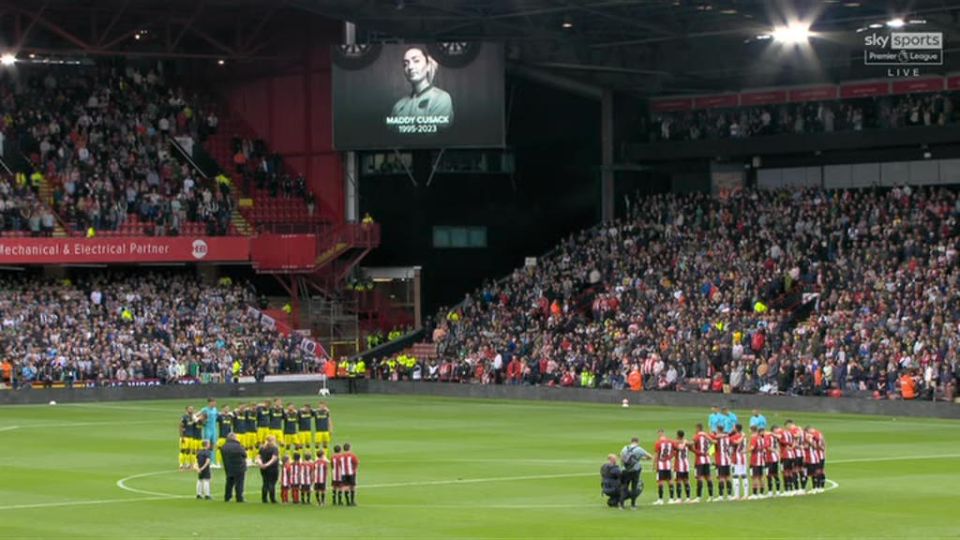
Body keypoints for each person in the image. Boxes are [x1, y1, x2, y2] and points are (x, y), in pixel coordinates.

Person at [388, 47, 453, 129]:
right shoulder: (398, 105)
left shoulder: (441, 98)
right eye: (405, 64)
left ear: (428, 66)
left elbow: (437, 134)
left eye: (416, 61)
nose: (410, 67)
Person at [619, 436, 651, 509]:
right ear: (637, 442)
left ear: (631, 441)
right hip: (635, 471)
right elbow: (650, 456)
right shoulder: (639, 449)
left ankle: (621, 505)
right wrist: (642, 459)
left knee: (624, 487)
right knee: (634, 487)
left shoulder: (625, 448)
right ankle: (633, 505)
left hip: (625, 470)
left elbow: (621, 457)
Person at [220, 432, 247, 503]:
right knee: (239, 483)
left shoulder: (224, 446)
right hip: (239, 467)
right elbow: (244, 454)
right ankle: (239, 497)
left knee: (229, 482)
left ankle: (227, 497)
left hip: (228, 467)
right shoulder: (238, 446)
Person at [692, 423, 714, 502]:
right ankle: (711, 496)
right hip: (707, 459)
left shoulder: (696, 436)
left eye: (696, 428)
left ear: (698, 428)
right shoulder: (707, 436)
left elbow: (692, 445)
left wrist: (695, 451)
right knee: (708, 477)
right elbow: (713, 444)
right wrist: (709, 453)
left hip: (700, 460)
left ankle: (698, 497)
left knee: (700, 478)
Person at [653, 429, 675, 505]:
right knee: (670, 481)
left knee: (660, 482)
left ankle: (660, 499)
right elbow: (674, 451)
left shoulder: (658, 443)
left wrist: (654, 464)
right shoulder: (670, 442)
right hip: (668, 464)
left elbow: (656, 455)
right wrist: (670, 458)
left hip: (661, 464)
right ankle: (671, 499)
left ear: (659, 434)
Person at [257, 435, 280, 503]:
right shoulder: (274, 448)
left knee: (265, 482)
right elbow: (274, 458)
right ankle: (272, 498)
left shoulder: (262, 448)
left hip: (263, 469)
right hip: (272, 468)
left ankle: (264, 499)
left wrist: (261, 464)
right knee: (272, 483)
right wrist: (267, 465)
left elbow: (258, 457)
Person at [713, 426, 733, 501]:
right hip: (727, 460)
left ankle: (721, 496)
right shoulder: (728, 438)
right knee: (728, 477)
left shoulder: (717, 438)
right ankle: (729, 495)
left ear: (718, 430)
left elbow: (713, 439)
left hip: (720, 461)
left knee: (721, 478)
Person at [673, 430, 692, 503]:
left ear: (678, 435)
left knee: (678, 481)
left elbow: (678, 448)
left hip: (679, 465)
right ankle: (688, 498)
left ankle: (679, 498)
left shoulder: (676, 443)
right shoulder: (687, 443)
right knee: (686, 480)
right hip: (686, 464)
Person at [731, 424, 749, 500]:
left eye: (733, 427)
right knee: (744, 476)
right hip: (744, 458)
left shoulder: (733, 437)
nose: (732, 428)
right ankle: (746, 495)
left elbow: (735, 443)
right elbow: (746, 443)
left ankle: (736, 495)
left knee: (735, 476)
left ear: (736, 429)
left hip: (736, 458)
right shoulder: (745, 437)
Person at [748, 426, 767, 499]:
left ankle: (755, 494)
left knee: (754, 477)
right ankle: (761, 493)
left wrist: (745, 451)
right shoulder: (762, 439)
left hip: (755, 461)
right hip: (762, 461)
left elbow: (752, 448)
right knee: (761, 477)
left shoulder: (754, 438)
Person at [200, 399, 219, 466]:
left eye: (215, 402)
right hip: (207, 429)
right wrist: (203, 421)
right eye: (213, 402)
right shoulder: (204, 409)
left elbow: (218, 417)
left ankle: (212, 462)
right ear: (209, 403)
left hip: (214, 429)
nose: (214, 404)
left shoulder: (215, 409)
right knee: (206, 445)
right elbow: (197, 416)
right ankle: (205, 461)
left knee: (213, 445)